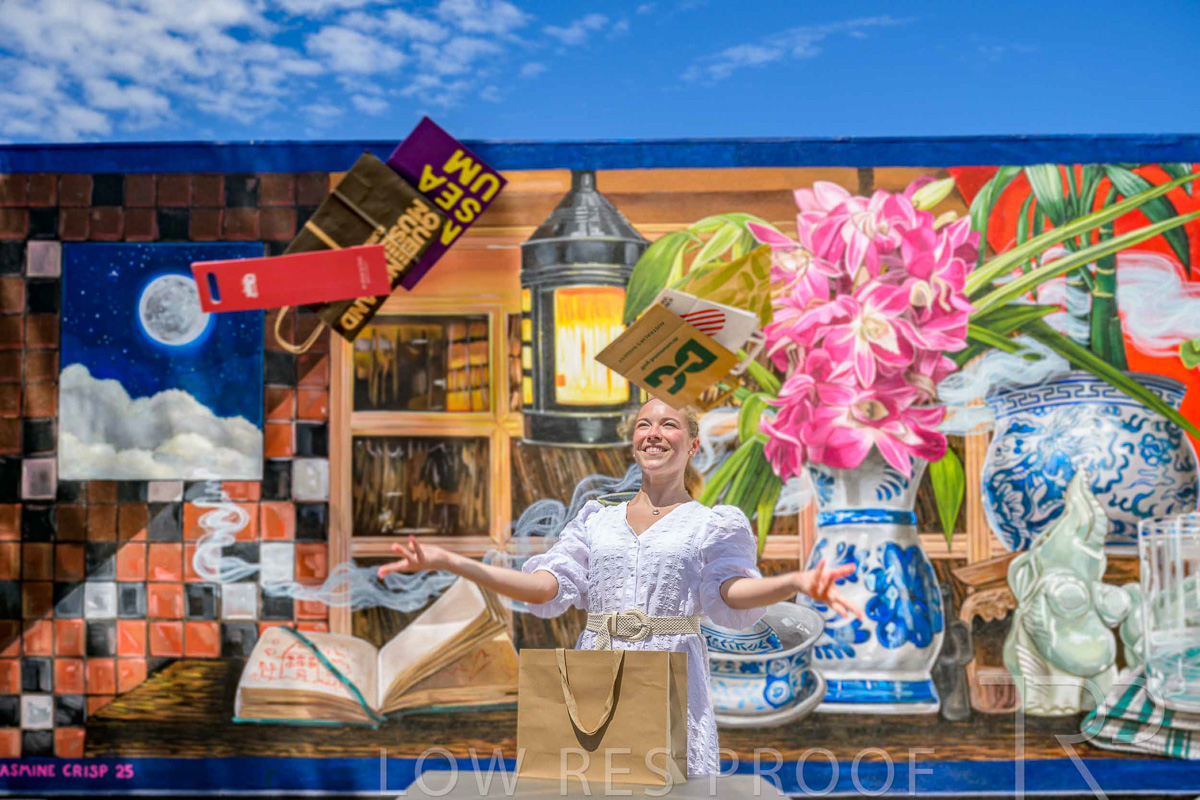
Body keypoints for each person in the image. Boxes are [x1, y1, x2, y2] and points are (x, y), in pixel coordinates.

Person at [378, 398, 862, 777]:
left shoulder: (712, 524)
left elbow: (730, 593)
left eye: (669, 424)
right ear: (634, 443)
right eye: (644, 425)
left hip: (670, 669)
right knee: (594, 784)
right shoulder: (596, 520)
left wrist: (794, 581)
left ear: (693, 445)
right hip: (598, 671)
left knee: (670, 783)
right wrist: (453, 562)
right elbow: (543, 588)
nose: (653, 433)